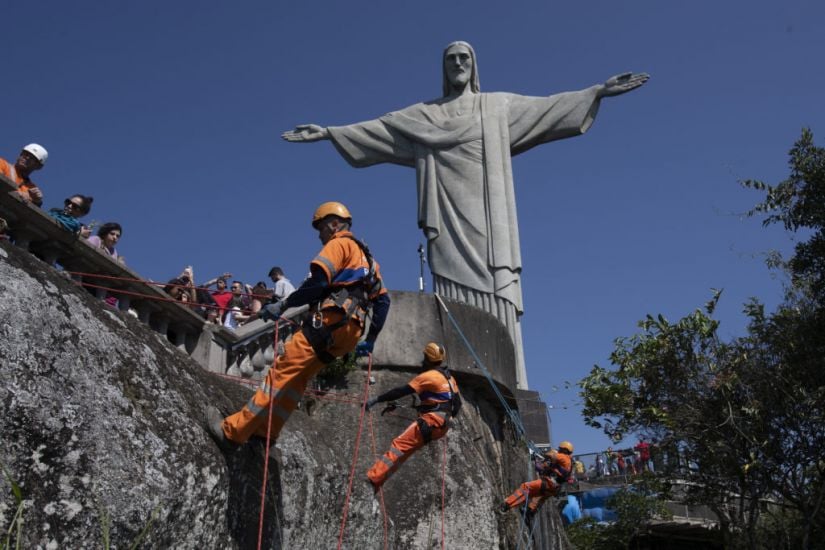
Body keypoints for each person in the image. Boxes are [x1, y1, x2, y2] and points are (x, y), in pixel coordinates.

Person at [282, 41, 649, 389]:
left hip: (489, 211)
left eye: (464, 58)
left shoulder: (496, 107)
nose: (458, 64)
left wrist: (596, 91)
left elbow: (549, 107)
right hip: (447, 214)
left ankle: (514, 380)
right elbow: (379, 128)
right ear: (444, 68)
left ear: (474, 67)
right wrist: (329, 132)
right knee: (452, 281)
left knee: (498, 280)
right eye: (451, 59)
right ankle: (454, 361)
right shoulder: (424, 115)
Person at [205, 201, 391, 449]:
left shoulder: (339, 244)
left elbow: (317, 284)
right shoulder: (370, 261)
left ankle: (232, 432)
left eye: (321, 229)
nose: (320, 236)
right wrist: (371, 339)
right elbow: (383, 301)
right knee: (298, 381)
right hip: (350, 332)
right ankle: (267, 434)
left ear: (334, 224)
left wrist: (283, 306)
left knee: (280, 374)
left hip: (329, 320)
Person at [365, 342, 461, 489]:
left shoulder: (428, 376)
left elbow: (401, 391)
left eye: (424, 357)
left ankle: (373, 478)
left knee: (399, 446)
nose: (422, 360)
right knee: (404, 453)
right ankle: (378, 482)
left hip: (431, 421)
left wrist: (377, 399)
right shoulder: (450, 379)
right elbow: (457, 405)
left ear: (428, 359)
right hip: (442, 426)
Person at [501, 441, 575, 519]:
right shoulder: (569, 463)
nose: (559, 450)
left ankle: (507, 503)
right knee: (528, 494)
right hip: (553, 488)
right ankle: (527, 512)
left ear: (565, 450)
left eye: (560, 449)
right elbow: (545, 467)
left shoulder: (564, 457)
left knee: (525, 487)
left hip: (548, 483)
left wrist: (549, 453)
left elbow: (551, 455)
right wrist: (540, 462)